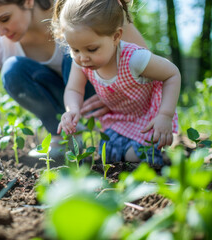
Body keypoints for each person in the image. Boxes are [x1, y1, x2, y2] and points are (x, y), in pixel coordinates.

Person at [0, 0, 147, 157]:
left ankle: (119, 137)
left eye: (5, 18)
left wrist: (115, 89)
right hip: (68, 112)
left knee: (74, 56)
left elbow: (144, 61)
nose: (0, 31)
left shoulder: (78, 12)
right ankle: (64, 138)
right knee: (13, 70)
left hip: (101, 102)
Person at [54, 0, 180, 165]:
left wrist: (165, 115)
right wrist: (72, 109)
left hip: (147, 119)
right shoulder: (80, 61)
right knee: (108, 155)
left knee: (135, 157)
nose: (82, 57)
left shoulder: (134, 58)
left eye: (91, 49)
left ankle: (157, 159)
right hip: (117, 119)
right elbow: (74, 89)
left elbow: (172, 74)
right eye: (75, 49)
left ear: (116, 36)